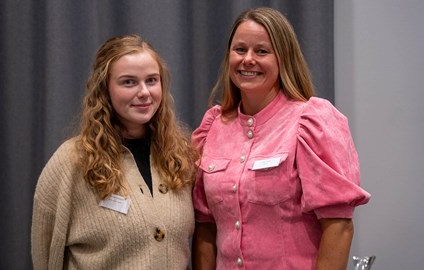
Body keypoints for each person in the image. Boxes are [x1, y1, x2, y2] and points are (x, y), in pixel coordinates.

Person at [191, 7, 371, 270]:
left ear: (283, 58)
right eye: (240, 50)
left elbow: (339, 226)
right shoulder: (213, 126)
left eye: (261, 51)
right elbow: (205, 224)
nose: (248, 60)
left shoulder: (310, 121)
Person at [31, 34, 197, 269]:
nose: (144, 92)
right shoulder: (72, 162)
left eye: (151, 80)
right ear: (105, 89)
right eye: (128, 82)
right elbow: (45, 256)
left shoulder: (181, 156)